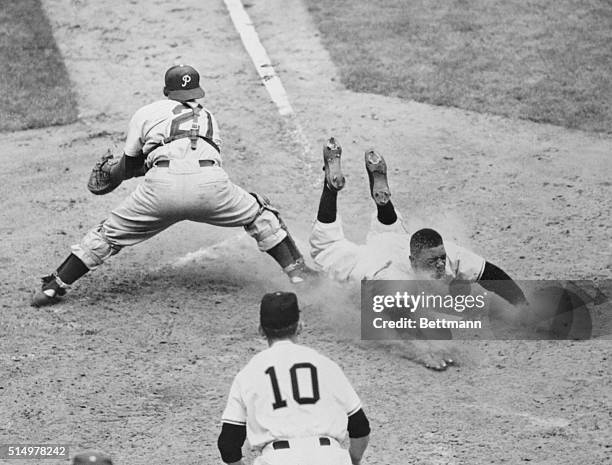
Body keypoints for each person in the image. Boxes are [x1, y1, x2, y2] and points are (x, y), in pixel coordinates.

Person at [31, 64, 314, 307]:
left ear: (166, 92)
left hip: (159, 189)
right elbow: (200, 160)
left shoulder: (147, 112)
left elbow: (130, 167)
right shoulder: (209, 117)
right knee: (261, 215)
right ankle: (298, 272)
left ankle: (54, 285)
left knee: (107, 235)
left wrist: (114, 175)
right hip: (211, 186)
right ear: (198, 93)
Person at [310, 138, 530, 368]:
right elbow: (391, 319)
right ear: (412, 260)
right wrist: (424, 351)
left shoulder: (440, 252)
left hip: (390, 242)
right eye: (432, 261)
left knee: (392, 232)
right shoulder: (391, 279)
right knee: (326, 246)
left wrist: (523, 307)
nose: (439, 265)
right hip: (360, 265)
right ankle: (331, 187)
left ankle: (383, 201)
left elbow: (490, 274)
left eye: (441, 259)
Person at [217, 291, 370, 465]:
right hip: (330, 457)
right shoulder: (326, 366)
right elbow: (360, 427)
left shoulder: (248, 374)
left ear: (261, 331)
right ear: (300, 327)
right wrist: (353, 461)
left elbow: (228, 445)